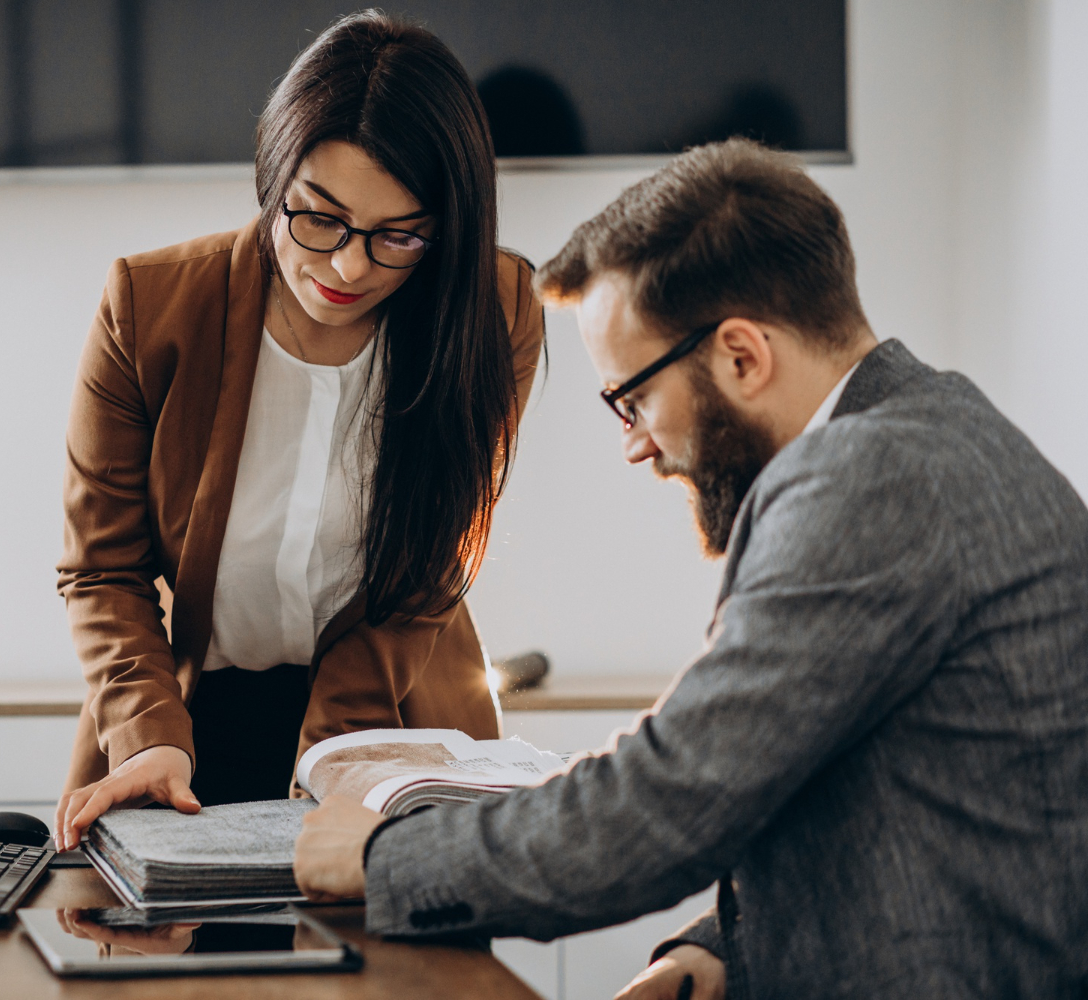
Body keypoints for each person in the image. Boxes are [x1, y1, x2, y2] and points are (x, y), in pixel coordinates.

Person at [293, 138, 1088, 999]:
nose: (634, 444)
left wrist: (384, 856)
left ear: (742, 355)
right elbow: (858, 792)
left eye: (630, 399)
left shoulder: (870, 479)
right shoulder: (935, 432)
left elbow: (672, 797)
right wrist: (715, 951)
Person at [53, 12, 545, 852]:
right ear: (272, 176)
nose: (350, 266)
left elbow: (436, 561)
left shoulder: (492, 311)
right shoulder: (151, 305)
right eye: (319, 218)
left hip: (395, 721)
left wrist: (338, 751)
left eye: (399, 235)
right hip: (183, 729)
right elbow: (103, 568)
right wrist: (146, 731)